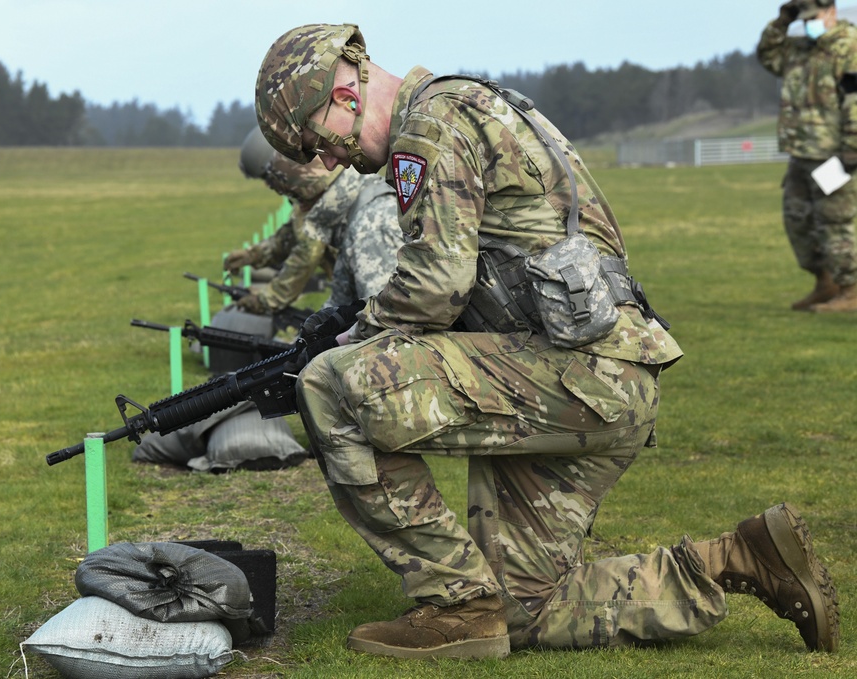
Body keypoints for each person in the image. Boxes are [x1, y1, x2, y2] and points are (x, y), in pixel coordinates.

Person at [254, 23, 840, 659]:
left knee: (332, 384)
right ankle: (741, 558)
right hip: (590, 372)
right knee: (524, 612)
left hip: (578, 374)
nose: (326, 162)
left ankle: (457, 602)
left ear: (344, 94)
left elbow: (434, 287)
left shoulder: (429, 127)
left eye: (318, 142)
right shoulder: (467, 106)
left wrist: (350, 337)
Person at [229, 126, 403, 314]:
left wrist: (265, 301)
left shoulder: (370, 225)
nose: (272, 187)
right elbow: (291, 235)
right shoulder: (327, 203)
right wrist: (254, 255)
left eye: (271, 180)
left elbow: (384, 319)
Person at [758, 0, 857, 311]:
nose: (809, 24)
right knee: (798, 222)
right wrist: (782, 20)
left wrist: (851, 152)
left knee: (836, 223)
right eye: (804, 19)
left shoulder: (849, 48)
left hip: (835, 155)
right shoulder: (800, 49)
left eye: (812, 17)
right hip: (801, 153)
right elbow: (768, 55)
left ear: (831, 12)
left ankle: (851, 291)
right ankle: (825, 283)